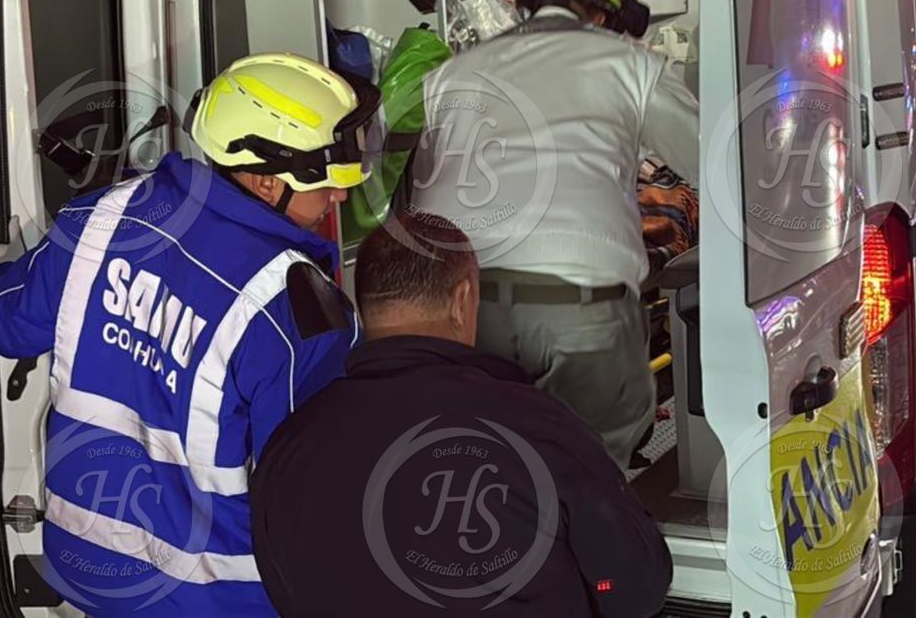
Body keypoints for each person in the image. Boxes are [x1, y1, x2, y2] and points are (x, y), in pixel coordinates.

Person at [0, 53, 377, 617]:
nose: (340, 197)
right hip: (214, 601)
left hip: (89, 572)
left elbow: (7, 326)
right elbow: (305, 501)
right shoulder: (297, 313)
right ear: (265, 182)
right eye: (329, 183)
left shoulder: (99, 219)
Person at [250, 213, 674, 618]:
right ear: (463, 299)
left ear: (363, 310)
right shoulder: (541, 428)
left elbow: (283, 592)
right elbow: (636, 589)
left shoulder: (289, 448)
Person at [409, 0, 700, 467]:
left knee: (491, 462)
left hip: (462, 304)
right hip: (579, 305)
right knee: (589, 464)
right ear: (603, 15)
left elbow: (429, 185)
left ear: (529, 7)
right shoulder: (629, 63)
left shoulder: (451, 73)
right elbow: (713, 158)